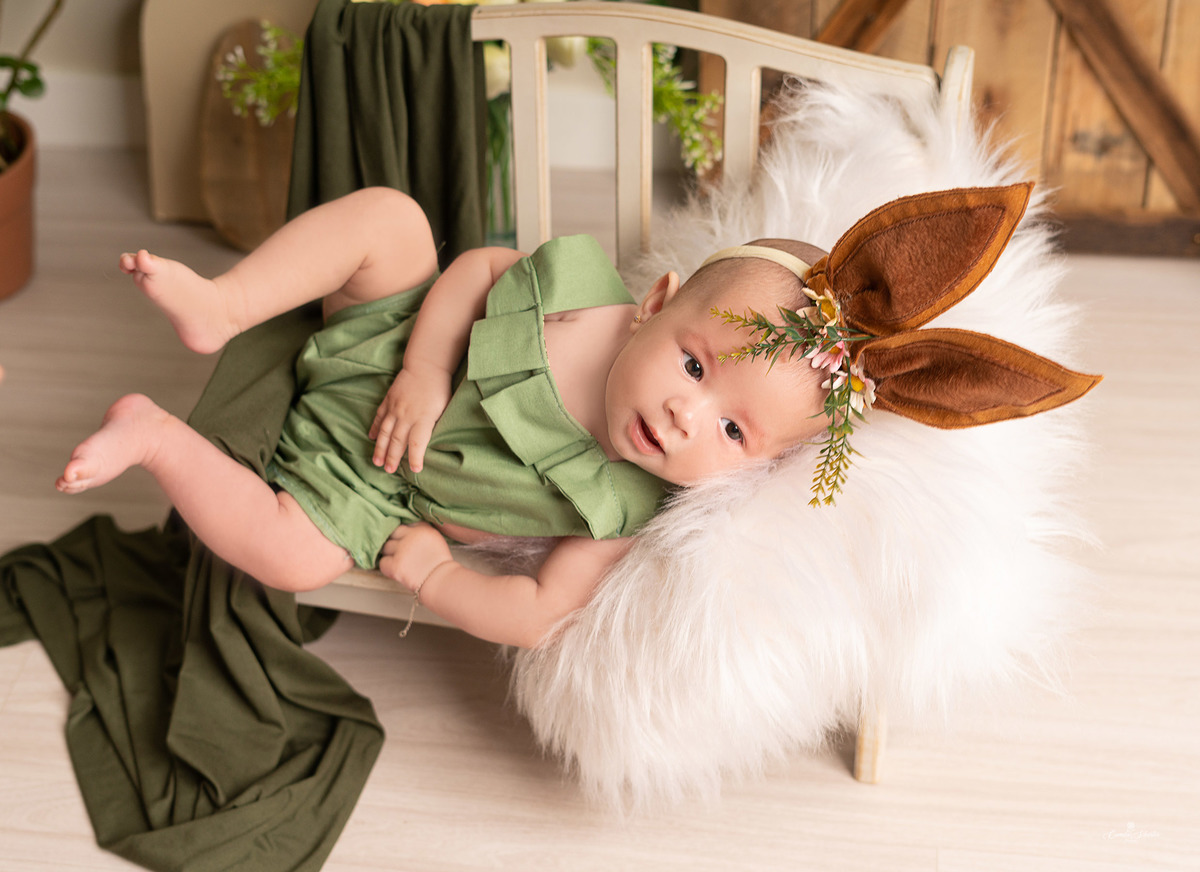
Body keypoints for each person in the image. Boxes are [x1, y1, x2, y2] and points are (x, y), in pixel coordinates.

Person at [55, 187, 828, 649]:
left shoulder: (619, 507)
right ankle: (224, 304)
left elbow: (540, 615)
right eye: (694, 366)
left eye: (733, 432)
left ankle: (155, 436)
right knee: (392, 221)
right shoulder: (589, 298)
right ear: (655, 304)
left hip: (370, 482)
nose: (687, 415)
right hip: (390, 338)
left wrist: (436, 576)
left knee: (296, 558)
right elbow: (481, 269)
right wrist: (424, 369)